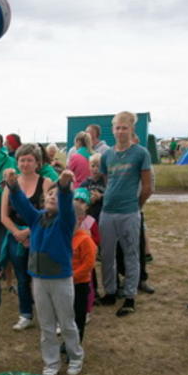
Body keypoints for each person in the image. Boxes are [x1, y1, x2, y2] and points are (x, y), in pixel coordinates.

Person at [5, 168, 84, 375]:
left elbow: (66, 206)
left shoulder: (66, 221)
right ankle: (51, 364)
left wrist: (64, 187)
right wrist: (13, 186)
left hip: (61, 280)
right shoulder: (36, 218)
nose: (52, 197)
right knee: (47, 325)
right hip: (39, 280)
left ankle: (75, 357)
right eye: (50, 194)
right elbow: (22, 204)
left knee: (66, 323)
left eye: (57, 196)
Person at [99, 111, 153, 316]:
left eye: (125, 128)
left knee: (131, 254)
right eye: (118, 128)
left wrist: (136, 205)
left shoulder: (141, 153)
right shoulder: (107, 155)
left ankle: (130, 296)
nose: (121, 131)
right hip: (107, 211)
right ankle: (110, 292)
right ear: (113, 130)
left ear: (132, 129)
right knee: (107, 255)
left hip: (129, 212)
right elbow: (107, 181)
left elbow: (147, 187)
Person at [0, 143, 53, 330]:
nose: (25, 164)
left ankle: (49, 314)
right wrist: (17, 233)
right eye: (22, 160)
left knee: (43, 277)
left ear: (37, 162)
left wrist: (29, 232)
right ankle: (25, 314)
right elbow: (4, 216)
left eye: (29, 160)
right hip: (16, 238)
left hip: (40, 235)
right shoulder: (10, 185)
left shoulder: (46, 183)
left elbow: (49, 213)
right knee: (21, 278)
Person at [72, 189, 98, 340]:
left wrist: (73, 276)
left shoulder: (85, 239)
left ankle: (76, 344)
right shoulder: (64, 237)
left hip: (80, 283)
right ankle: (67, 342)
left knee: (78, 316)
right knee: (67, 314)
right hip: (65, 282)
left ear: (80, 219)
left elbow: (89, 264)